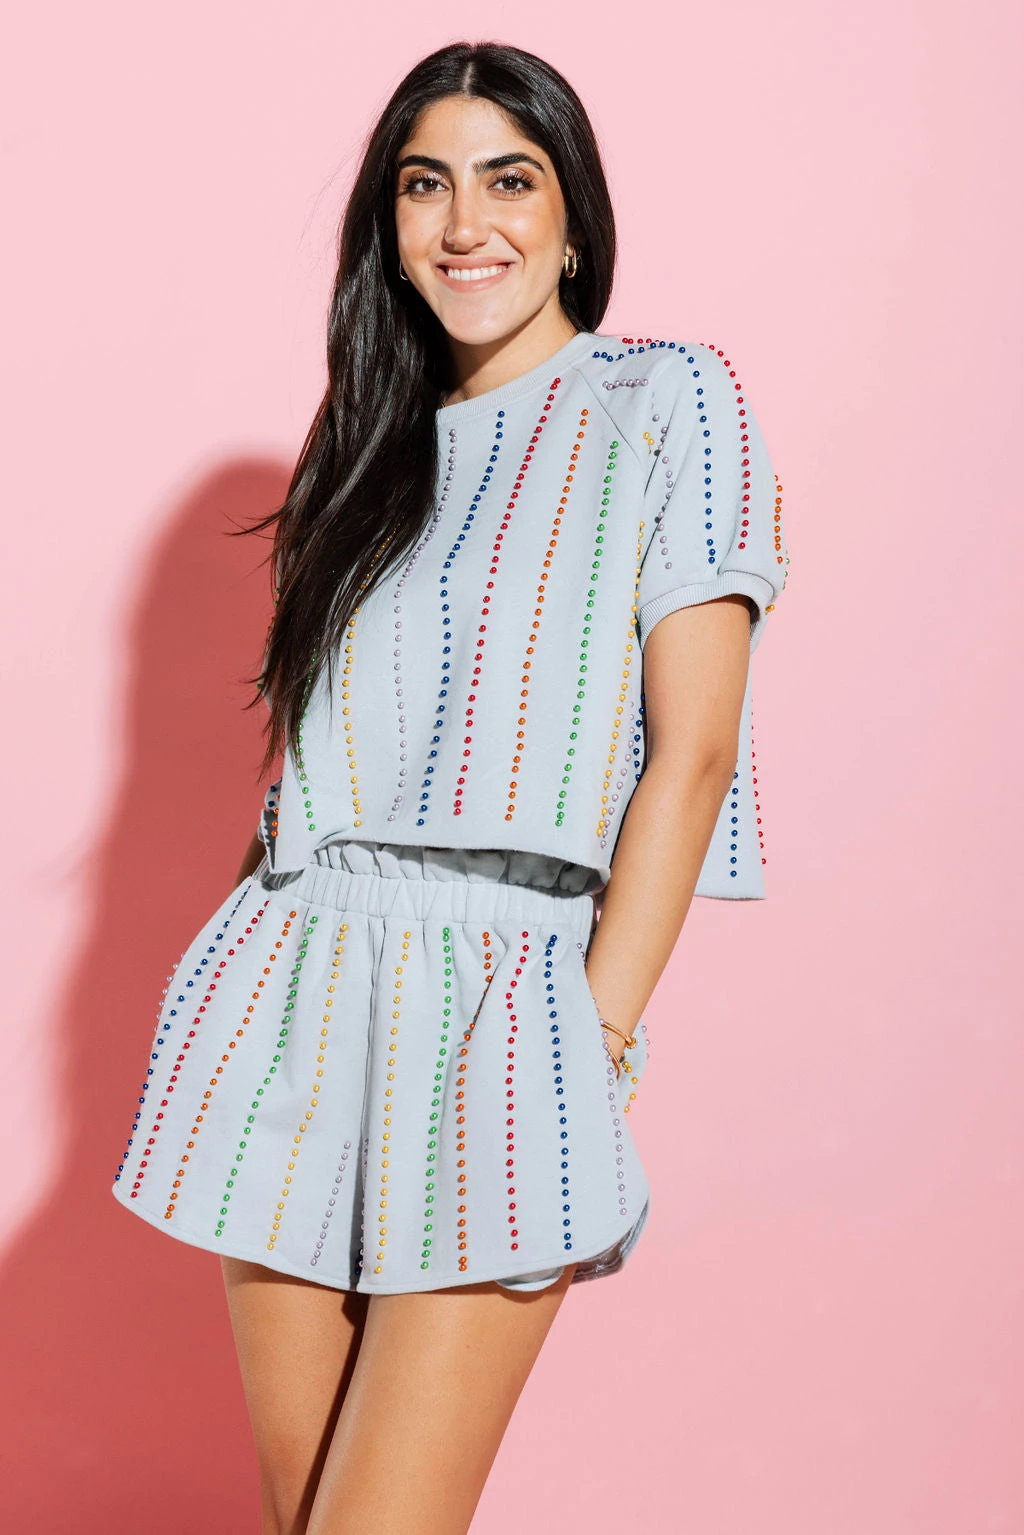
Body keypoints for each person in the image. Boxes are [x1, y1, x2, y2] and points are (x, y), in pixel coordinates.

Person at [111, 38, 789, 1535]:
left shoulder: (666, 400)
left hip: (506, 1002)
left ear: (573, 215)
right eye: (426, 185)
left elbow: (692, 757)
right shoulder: (362, 447)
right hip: (295, 992)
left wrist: (592, 1039)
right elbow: (314, 765)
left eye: (508, 179)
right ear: (391, 222)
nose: (465, 222)